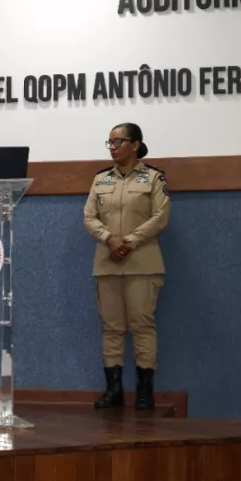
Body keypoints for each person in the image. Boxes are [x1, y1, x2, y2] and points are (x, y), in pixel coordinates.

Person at [83, 123, 170, 411]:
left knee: (142, 327)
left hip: (143, 264)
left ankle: (145, 391)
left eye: (118, 142)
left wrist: (130, 241)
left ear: (135, 144)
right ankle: (114, 390)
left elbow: (160, 216)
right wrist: (109, 239)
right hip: (107, 264)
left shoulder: (153, 177)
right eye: (109, 143)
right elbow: (89, 217)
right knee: (112, 328)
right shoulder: (101, 179)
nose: (112, 147)